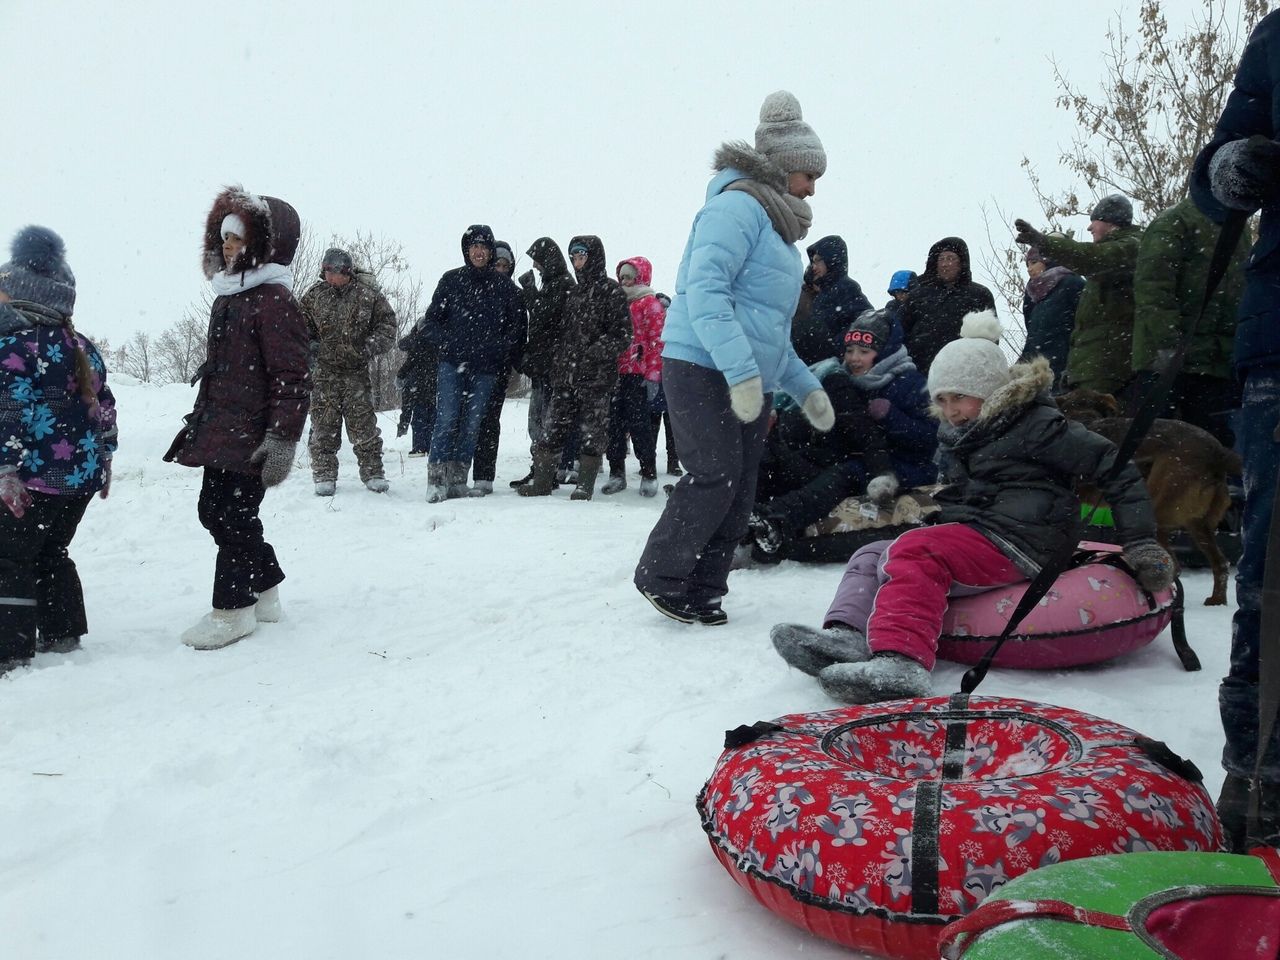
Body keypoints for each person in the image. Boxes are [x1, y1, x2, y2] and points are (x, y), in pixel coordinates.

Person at [770, 312, 1174, 703]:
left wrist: (1140, 542)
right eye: (942, 399)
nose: (950, 410)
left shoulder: (1039, 427)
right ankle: (847, 637)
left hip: (1025, 540)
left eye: (960, 397)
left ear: (990, 388)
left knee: (915, 551)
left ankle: (902, 663)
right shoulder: (963, 433)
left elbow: (1115, 468)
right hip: (983, 532)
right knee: (871, 552)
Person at [633, 89, 834, 624]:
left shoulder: (784, 243)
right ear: (783, 168)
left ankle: (704, 586)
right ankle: (663, 575)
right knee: (714, 475)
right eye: (808, 174)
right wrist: (742, 370)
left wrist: (807, 388)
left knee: (743, 487)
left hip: (749, 379)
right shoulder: (735, 208)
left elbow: (773, 335)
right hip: (699, 363)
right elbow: (705, 294)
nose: (814, 187)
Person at [1189, 6, 1280, 850]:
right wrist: (1229, 167)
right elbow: (1205, 182)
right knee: (1277, 574)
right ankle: (1263, 782)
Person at [164, 187, 311, 649]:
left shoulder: (273, 299)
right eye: (223, 237)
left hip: (253, 432)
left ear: (265, 244)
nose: (226, 247)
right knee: (216, 512)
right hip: (222, 427)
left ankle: (232, 611)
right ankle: (264, 590)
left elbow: (292, 376)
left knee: (233, 514)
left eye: (236, 238)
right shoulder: (230, 295)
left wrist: (282, 438)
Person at [0, 226, 116, 668]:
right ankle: (62, 632)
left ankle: (9, 652)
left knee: (8, 557)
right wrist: (105, 456)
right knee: (52, 553)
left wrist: (5, 471)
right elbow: (104, 407)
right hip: (78, 481)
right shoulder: (80, 345)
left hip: (30, 481)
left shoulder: (13, 350)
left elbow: (9, 414)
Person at [748, 308, 936, 557]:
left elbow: (929, 437)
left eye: (864, 352)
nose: (854, 359)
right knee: (781, 457)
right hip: (862, 456)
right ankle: (741, 512)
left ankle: (776, 519)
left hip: (905, 463)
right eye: (850, 351)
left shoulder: (910, 383)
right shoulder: (847, 381)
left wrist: (892, 416)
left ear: (884, 353)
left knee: (844, 474)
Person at [517, 235, 630, 500]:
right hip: (566, 376)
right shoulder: (574, 292)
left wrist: (593, 354)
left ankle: (585, 484)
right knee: (552, 429)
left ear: (594, 257)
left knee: (593, 432)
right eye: (574, 257)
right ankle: (543, 482)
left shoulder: (611, 291)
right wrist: (559, 362)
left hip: (596, 377)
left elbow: (623, 335)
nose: (577, 262)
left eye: (582, 256)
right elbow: (561, 333)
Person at [1131, 196, 1249, 447]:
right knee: (1154, 450)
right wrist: (1169, 343)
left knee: (1209, 454)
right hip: (1169, 362)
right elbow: (1153, 287)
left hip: (1215, 364)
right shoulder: (1175, 221)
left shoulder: (1239, 226)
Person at [422, 224, 524, 502]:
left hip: (485, 369)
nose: (479, 252)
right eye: (474, 247)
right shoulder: (451, 280)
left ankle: (457, 479)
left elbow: (514, 329)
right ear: (467, 250)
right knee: (446, 419)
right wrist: (449, 343)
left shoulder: (504, 288)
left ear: (491, 251)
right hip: (451, 365)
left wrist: (498, 349)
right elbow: (429, 323)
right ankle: (436, 480)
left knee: (472, 423)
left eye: (484, 247)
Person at [1015, 195, 1143, 397]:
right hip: (1090, 367)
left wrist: (1044, 243)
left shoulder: (1129, 248)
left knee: (1102, 426)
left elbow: (1091, 258)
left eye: (1095, 221)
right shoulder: (1110, 258)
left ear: (1111, 222)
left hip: (1109, 367)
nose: (1090, 228)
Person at [300, 247, 397, 496]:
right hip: (324, 373)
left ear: (347, 271)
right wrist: (311, 346)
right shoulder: (314, 296)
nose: (332, 277)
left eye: (336, 272)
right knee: (323, 426)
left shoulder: (368, 295)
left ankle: (373, 472)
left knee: (364, 426)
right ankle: (324, 475)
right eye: (327, 272)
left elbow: (387, 325)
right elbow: (298, 326)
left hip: (356, 373)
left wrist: (368, 347)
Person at [511, 237, 578, 488]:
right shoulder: (553, 282)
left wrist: (528, 288)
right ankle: (540, 468)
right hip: (543, 364)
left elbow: (542, 313)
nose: (536, 267)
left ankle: (547, 472)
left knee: (546, 421)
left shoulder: (563, 283)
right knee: (538, 421)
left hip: (555, 365)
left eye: (538, 262)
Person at [602, 256, 665, 497]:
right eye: (622, 277)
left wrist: (652, 375)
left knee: (640, 426)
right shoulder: (618, 303)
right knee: (614, 426)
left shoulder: (649, 303)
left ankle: (649, 472)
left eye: (629, 276)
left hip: (637, 375)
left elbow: (656, 342)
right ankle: (616, 472)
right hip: (616, 373)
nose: (624, 281)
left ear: (640, 277)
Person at [471, 240, 527, 494]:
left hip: (498, 367)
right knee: (465, 419)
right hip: (469, 365)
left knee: (488, 421)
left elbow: (518, 332)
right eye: (497, 263)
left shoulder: (514, 294)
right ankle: (458, 469)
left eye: (506, 264)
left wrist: (513, 358)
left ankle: (483, 476)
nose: (501, 268)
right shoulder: (472, 288)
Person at [899, 237, 996, 375]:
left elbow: (991, 337)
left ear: (961, 263)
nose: (945, 264)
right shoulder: (918, 295)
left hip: (964, 373)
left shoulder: (979, 294)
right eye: (941, 259)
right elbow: (899, 330)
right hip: (920, 373)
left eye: (950, 258)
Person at [791, 235, 873, 366]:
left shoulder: (845, 286)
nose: (813, 266)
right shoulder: (825, 292)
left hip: (832, 364)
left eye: (818, 261)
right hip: (817, 364)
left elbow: (865, 320)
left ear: (831, 260)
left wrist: (834, 347)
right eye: (812, 261)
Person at [1017, 243, 1084, 388]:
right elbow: (1032, 332)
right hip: (1037, 364)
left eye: (1034, 262)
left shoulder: (1072, 283)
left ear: (1048, 261)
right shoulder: (1033, 292)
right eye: (1027, 264)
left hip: (1064, 362)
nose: (1029, 269)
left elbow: (1083, 324)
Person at [396, 314, 438, 457]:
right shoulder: (439, 339)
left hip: (418, 384)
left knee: (420, 415)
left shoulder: (417, 342)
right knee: (433, 415)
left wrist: (401, 375)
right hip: (435, 384)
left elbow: (406, 352)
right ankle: (432, 446)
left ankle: (420, 447)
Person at [650, 291, 682, 478]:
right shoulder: (665, 328)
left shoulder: (673, 329)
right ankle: (666, 461)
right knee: (660, 424)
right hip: (659, 380)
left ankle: (671, 461)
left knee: (669, 426)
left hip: (667, 381)